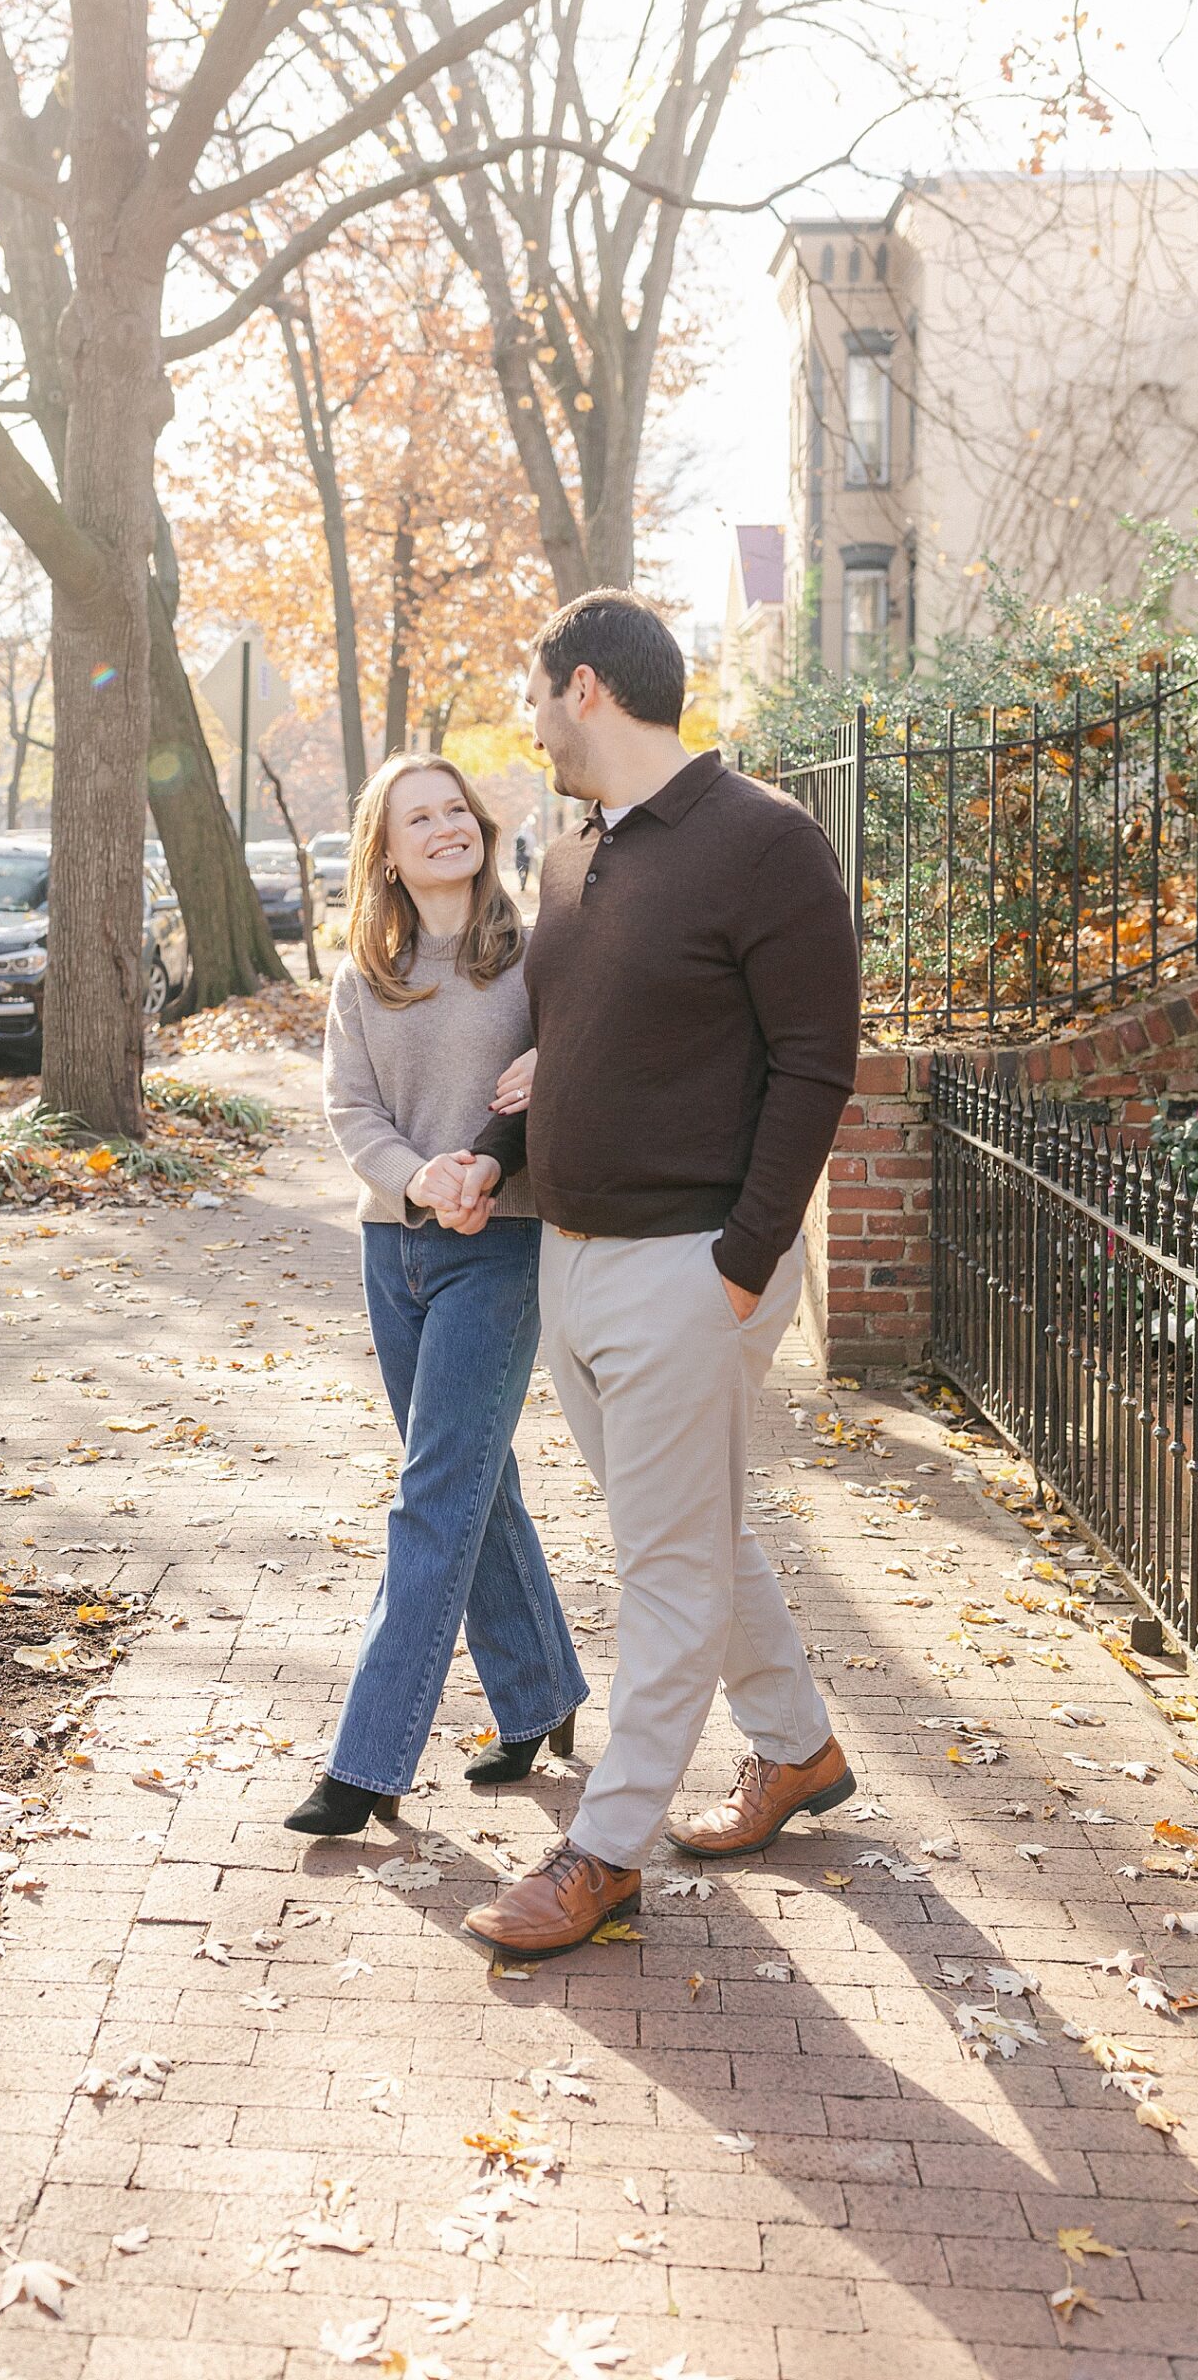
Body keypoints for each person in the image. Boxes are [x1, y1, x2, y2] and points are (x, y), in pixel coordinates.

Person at [420, 588, 861, 1959]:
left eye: (533, 692)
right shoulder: (573, 853)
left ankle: (601, 1851)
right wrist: (498, 1146)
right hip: (573, 1253)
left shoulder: (766, 844)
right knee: (693, 1531)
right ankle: (792, 1748)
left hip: (690, 1260)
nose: (527, 718)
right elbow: (569, 1035)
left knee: (663, 1565)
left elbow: (813, 1064)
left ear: (589, 688)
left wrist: (742, 1261)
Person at [284, 754, 587, 1838]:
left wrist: (525, 1110)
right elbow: (349, 1109)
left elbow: (587, 1052)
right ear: (389, 849)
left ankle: (366, 1763)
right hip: (395, 1252)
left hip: (499, 1252)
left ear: (479, 826)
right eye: (420, 816)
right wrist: (419, 1176)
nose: (445, 826)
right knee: (471, 1483)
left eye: (456, 808)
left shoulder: (535, 955)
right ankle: (543, 1692)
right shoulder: (366, 975)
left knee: (430, 1496)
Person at [513, 816, 537, 891]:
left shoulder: (518, 834)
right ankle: (524, 882)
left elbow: (514, 846)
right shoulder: (531, 836)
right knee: (526, 869)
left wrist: (514, 854)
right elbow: (533, 846)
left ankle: (521, 879)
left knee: (519, 868)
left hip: (519, 855)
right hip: (527, 855)